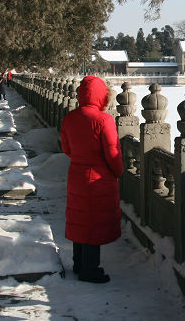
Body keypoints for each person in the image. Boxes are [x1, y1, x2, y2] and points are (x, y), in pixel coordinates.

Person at [60, 76, 123, 283]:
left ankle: (78, 263)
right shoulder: (104, 120)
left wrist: (81, 160)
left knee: (80, 220)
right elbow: (112, 153)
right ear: (102, 96)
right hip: (98, 179)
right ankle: (90, 269)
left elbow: (66, 149)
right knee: (93, 224)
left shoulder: (70, 118)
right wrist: (118, 172)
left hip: (76, 175)